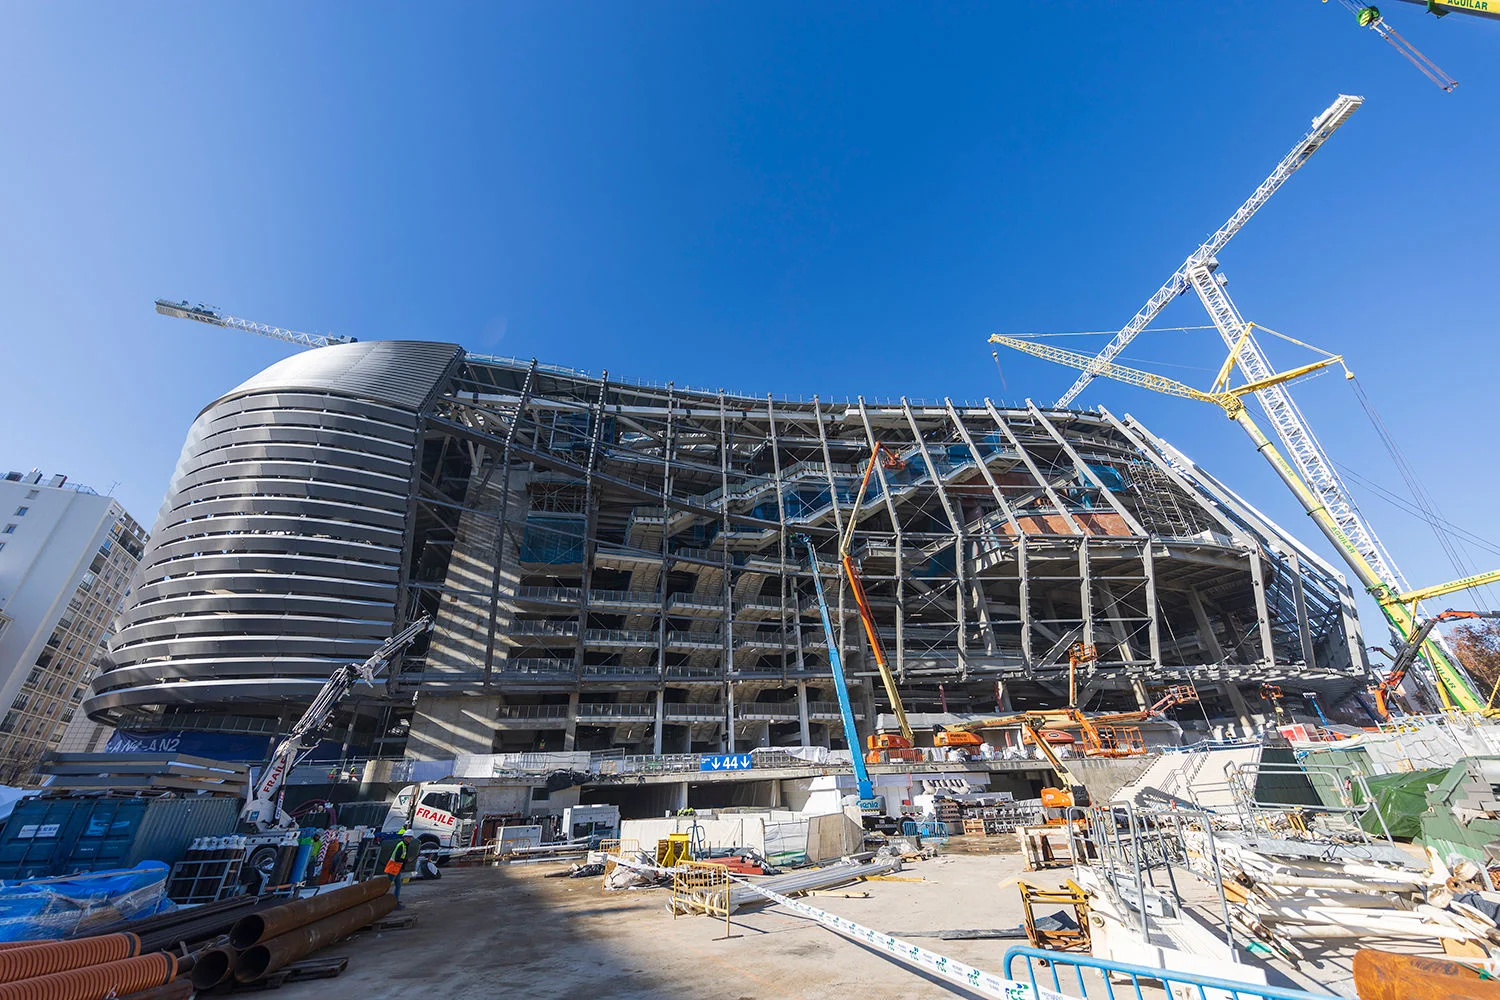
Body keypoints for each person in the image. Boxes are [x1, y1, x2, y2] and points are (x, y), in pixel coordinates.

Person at [384, 827, 412, 909]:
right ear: (405, 837)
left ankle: (395, 901)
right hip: (393, 868)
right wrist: (406, 860)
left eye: (411, 837)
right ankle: (389, 902)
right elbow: (397, 858)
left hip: (397, 868)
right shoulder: (401, 845)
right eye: (409, 837)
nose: (410, 839)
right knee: (388, 886)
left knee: (398, 885)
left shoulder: (404, 845)